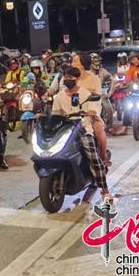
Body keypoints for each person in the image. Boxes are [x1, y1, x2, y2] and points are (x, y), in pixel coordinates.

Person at [51, 66, 111, 200]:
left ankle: (105, 190)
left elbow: (94, 110)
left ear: (77, 79)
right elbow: (55, 115)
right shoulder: (59, 97)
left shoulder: (85, 94)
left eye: (71, 77)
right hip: (65, 130)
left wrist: (91, 113)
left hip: (83, 128)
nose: (68, 80)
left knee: (92, 156)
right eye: (66, 77)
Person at [72, 53, 111, 167]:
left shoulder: (94, 79)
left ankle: (103, 157)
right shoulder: (70, 78)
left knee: (98, 127)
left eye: (75, 61)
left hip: (90, 109)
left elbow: (96, 97)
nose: (72, 64)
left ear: (82, 65)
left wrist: (92, 112)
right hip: (72, 110)